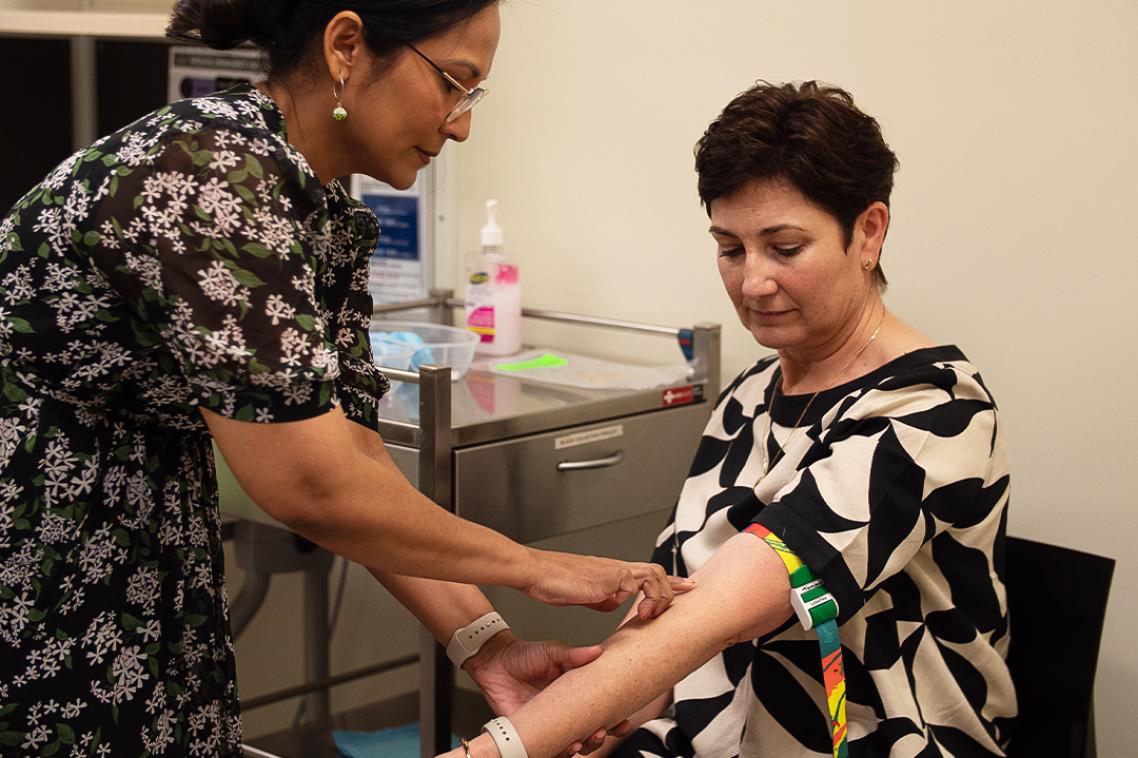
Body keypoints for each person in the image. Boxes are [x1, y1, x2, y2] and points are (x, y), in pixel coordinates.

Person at [0, 2, 691, 755]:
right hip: (43, 544)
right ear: (346, 47)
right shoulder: (210, 176)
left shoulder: (314, 205)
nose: (461, 125)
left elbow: (354, 458)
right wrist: (535, 568)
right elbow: (313, 485)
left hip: (144, 551)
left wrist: (487, 647)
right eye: (455, 85)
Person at [438, 81, 1015, 758]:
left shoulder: (933, 411)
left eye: (785, 247)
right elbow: (669, 601)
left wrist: (499, 749)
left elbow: (714, 614)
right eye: (731, 248)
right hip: (712, 734)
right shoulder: (750, 394)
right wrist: (607, 718)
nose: (752, 283)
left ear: (869, 231)